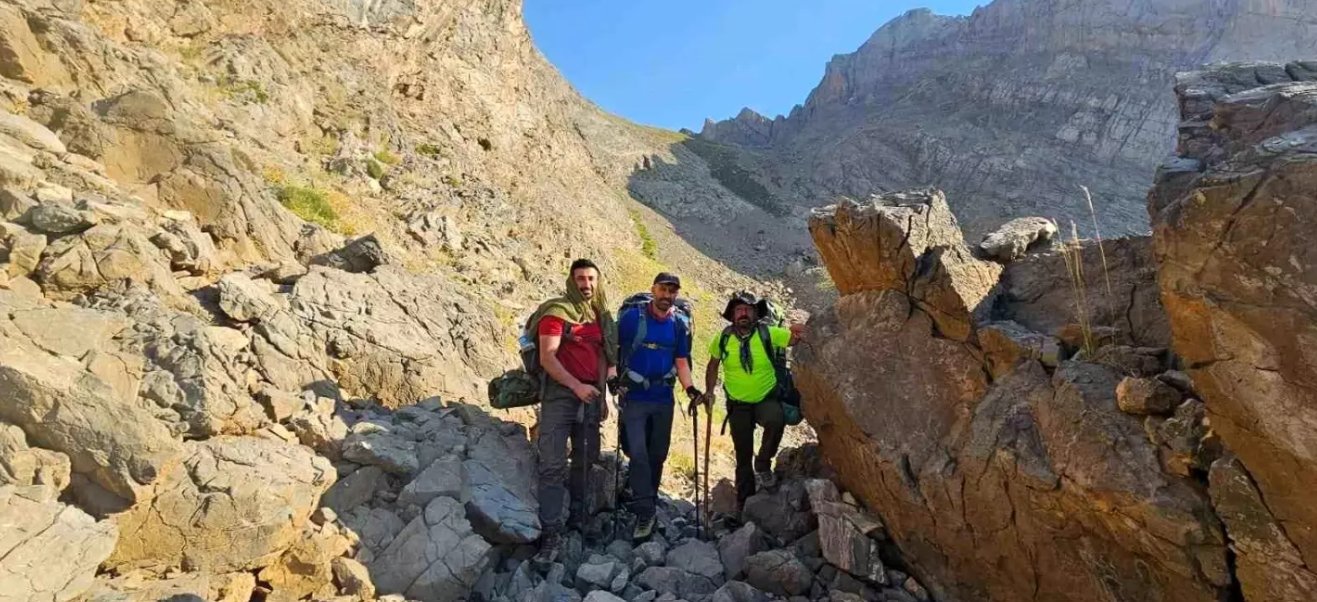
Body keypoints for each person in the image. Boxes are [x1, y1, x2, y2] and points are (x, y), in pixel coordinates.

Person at [532, 259, 619, 564]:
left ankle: (579, 519)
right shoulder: (557, 313)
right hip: (560, 396)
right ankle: (551, 531)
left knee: (586, 459)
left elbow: (604, 355)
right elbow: (547, 357)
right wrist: (575, 386)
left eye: (591, 278)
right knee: (553, 464)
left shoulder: (599, 314)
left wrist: (604, 392)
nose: (587, 284)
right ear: (572, 280)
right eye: (581, 278)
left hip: (592, 396)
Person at [616, 272, 702, 541]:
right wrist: (611, 378)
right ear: (653, 290)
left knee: (658, 454)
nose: (667, 295)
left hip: (663, 397)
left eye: (672, 291)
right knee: (638, 453)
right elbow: (612, 348)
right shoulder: (632, 319)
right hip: (634, 396)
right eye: (663, 290)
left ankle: (647, 497)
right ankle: (645, 512)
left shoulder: (679, 324)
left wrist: (690, 389)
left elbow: (681, 361)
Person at [698, 291, 803, 507]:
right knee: (742, 452)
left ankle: (763, 464)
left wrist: (798, 328)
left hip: (766, 398)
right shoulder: (723, 338)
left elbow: (794, 338)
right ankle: (744, 501)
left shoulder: (768, 333)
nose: (743, 313)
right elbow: (712, 365)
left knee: (776, 420)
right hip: (738, 404)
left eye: (748, 309)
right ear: (732, 315)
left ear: (756, 314)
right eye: (739, 310)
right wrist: (709, 392)